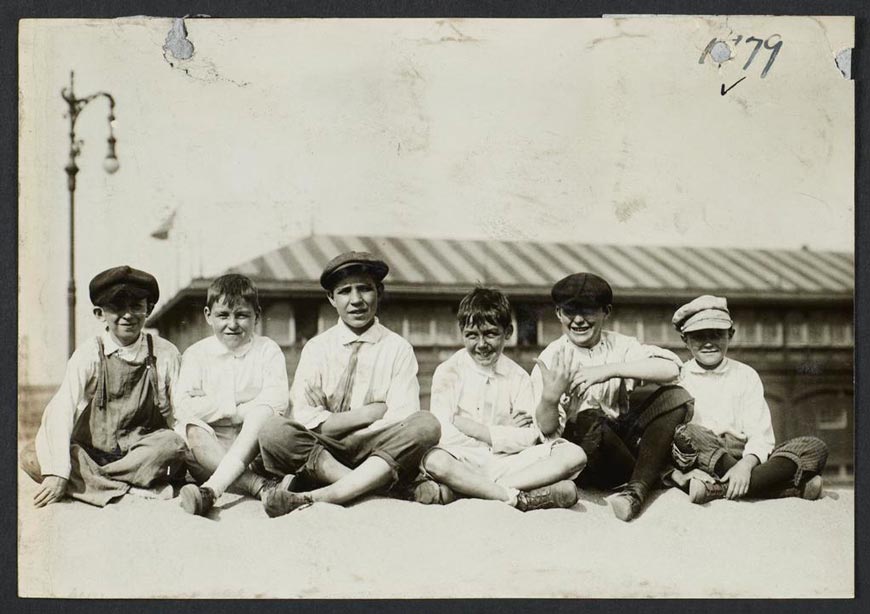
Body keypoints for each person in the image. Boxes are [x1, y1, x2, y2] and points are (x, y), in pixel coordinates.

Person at [256, 251, 441, 517]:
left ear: (379, 292)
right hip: (323, 451)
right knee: (273, 429)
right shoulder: (317, 348)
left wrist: (338, 424)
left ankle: (319, 493)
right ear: (331, 298)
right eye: (344, 291)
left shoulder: (397, 348)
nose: (356, 300)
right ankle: (369, 486)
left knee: (426, 424)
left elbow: (401, 417)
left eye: (365, 289)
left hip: (378, 449)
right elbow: (306, 417)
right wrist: (368, 413)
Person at [19, 266, 187, 507]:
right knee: (30, 456)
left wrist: (178, 456)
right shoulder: (88, 353)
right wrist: (58, 472)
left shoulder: (165, 353)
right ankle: (131, 490)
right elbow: (62, 408)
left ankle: (94, 486)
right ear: (100, 313)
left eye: (136, 306)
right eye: (117, 307)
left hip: (139, 453)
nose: (128, 315)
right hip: (92, 453)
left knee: (173, 445)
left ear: (148, 309)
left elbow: (180, 411)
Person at [531, 272, 693, 522]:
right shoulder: (552, 357)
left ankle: (635, 491)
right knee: (588, 418)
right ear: (558, 314)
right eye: (569, 312)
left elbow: (673, 368)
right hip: (583, 457)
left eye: (588, 311)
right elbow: (545, 430)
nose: (578, 321)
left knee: (675, 397)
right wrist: (550, 400)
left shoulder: (620, 345)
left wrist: (609, 370)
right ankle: (653, 476)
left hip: (621, 449)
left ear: (606, 311)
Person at [419, 287, 585, 511]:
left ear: (508, 332)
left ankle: (474, 491)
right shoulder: (448, 372)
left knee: (574, 455)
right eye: (471, 335)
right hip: (463, 460)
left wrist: (479, 430)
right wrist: (504, 430)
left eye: (490, 333)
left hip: (507, 462)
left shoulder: (518, 376)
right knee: (435, 461)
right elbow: (445, 434)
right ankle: (517, 497)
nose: (481, 344)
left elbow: (529, 436)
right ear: (462, 333)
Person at [669, 295, 828, 503]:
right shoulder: (678, 376)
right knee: (689, 432)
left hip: (743, 455)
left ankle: (719, 489)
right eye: (699, 336)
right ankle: (784, 489)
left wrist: (745, 465)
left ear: (730, 335)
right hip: (703, 457)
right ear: (685, 340)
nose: (708, 343)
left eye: (717, 334)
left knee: (814, 446)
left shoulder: (745, 374)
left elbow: (760, 435)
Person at [174, 274, 290, 516]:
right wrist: (236, 403)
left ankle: (212, 490)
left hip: (256, 449)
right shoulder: (196, 354)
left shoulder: (267, 350)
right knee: (190, 429)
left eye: (242, 315)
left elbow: (277, 401)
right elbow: (183, 407)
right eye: (223, 315)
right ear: (208, 315)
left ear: (257, 316)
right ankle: (259, 486)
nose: (232, 324)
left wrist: (216, 408)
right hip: (210, 453)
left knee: (262, 413)